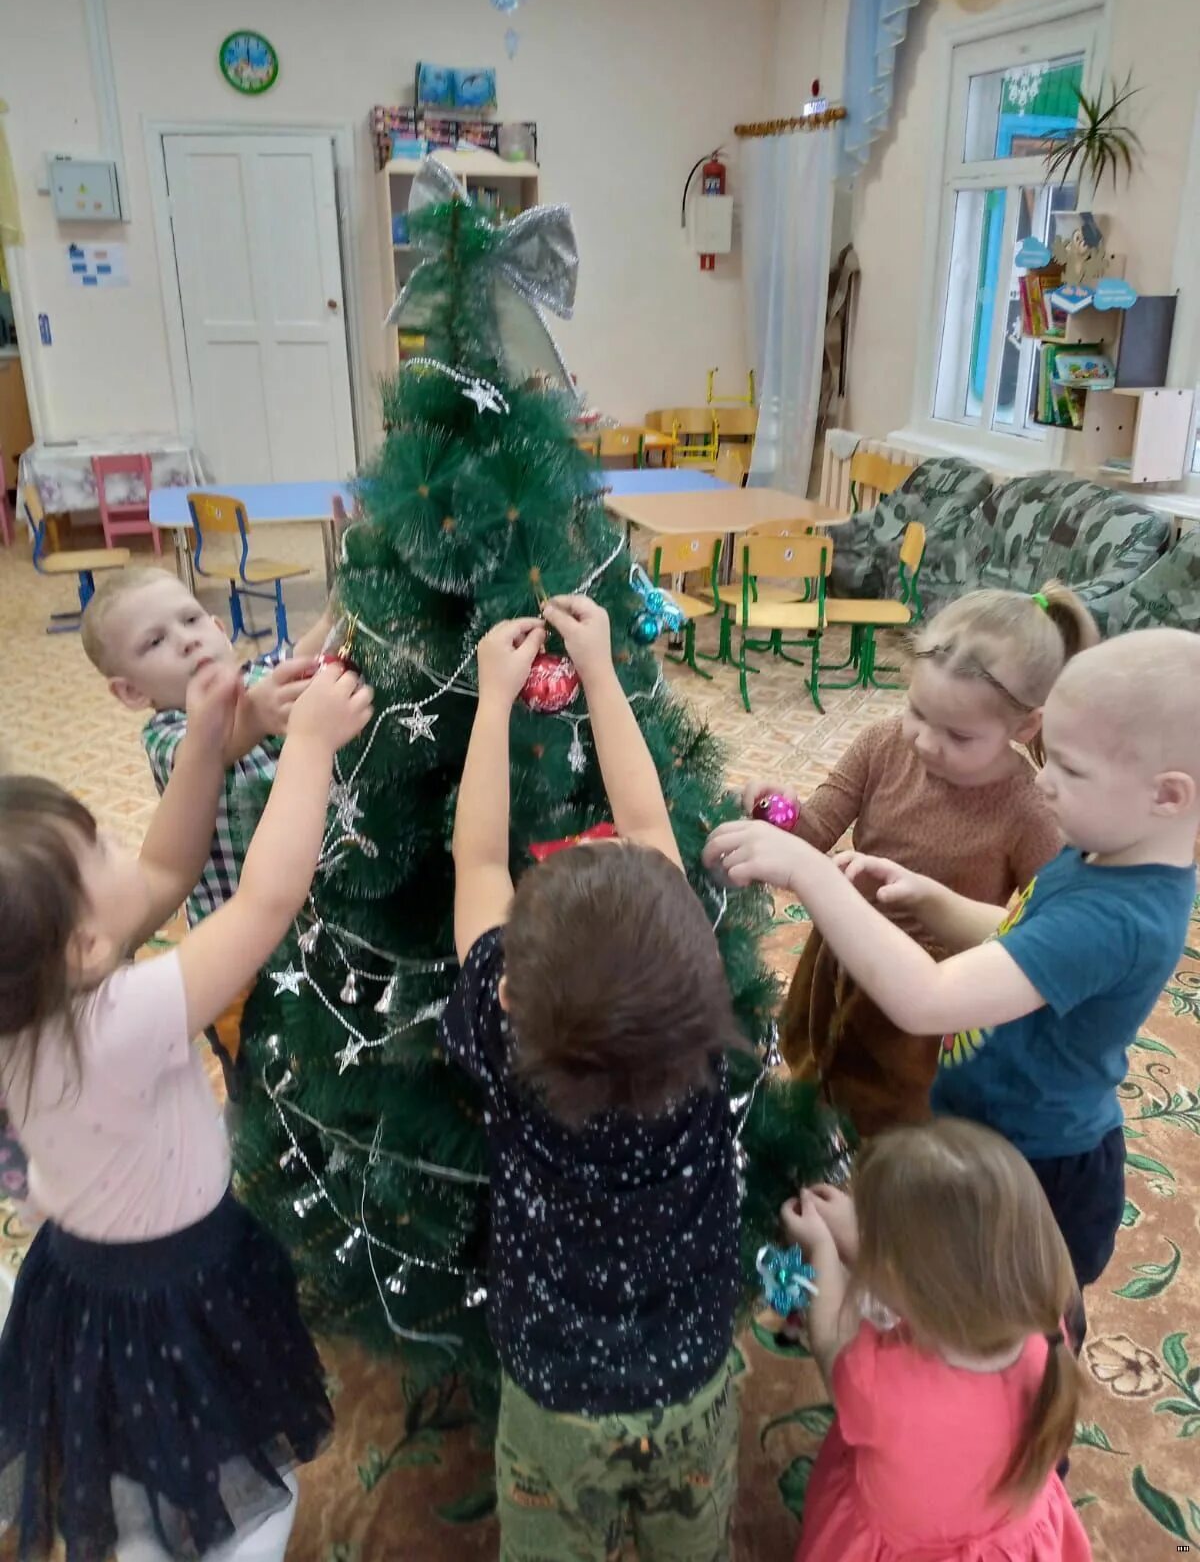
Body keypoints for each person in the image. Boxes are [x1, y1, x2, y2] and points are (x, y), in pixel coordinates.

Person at [705, 627, 1200, 1341]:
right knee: (949, 1287)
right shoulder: (1110, 851)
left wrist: (811, 872)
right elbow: (1023, 933)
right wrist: (936, 900)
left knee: (1001, 1326)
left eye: (1069, 768)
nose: (1044, 781)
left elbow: (927, 1000)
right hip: (983, 1124)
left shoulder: (1117, 916)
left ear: (1168, 795)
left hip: (1030, 1168)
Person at [0, 658, 373, 1562]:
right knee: (242, 1492)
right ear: (86, 947)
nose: (124, 846)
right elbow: (266, 901)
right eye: (102, 850)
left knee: (133, 1469)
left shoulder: (29, 1004)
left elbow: (167, 865)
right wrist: (310, 744)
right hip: (177, 1294)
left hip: (76, 1283)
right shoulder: (121, 1020)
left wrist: (207, 736)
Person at [445, 595, 743, 1562]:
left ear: (509, 995)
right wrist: (605, 671)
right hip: (693, 1379)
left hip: (555, 1399)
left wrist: (493, 701)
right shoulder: (697, 1032)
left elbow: (478, 859)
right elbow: (650, 819)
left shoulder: (505, 1038)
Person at [743, 584, 1093, 1136]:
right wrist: (776, 810)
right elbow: (814, 832)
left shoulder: (1030, 811)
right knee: (814, 1072)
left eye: (959, 735)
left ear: (1025, 727)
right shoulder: (882, 744)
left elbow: (1040, 931)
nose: (926, 741)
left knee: (895, 1123)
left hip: (929, 1001)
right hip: (841, 952)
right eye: (916, 711)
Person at [780, 1119, 1092, 1561]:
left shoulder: (876, 1382)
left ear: (912, 1289)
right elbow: (951, 1275)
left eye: (880, 1244)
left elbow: (829, 1339)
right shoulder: (1044, 1327)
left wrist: (823, 1253)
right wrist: (864, 1236)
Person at [81, 567, 336, 1102]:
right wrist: (256, 714)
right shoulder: (165, 735)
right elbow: (212, 749)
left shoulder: (258, 675)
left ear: (220, 627)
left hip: (316, 916)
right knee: (258, 1069)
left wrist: (342, 602)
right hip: (237, 956)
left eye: (192, 620)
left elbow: (303, 658)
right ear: (131, 690)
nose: (186, 640)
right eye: (155, 642)